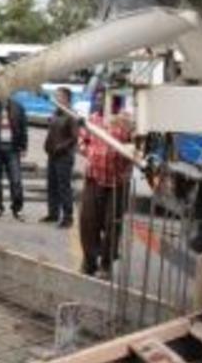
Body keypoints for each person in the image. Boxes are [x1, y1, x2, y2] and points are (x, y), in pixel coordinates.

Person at [79, 90, 133, 278]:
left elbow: (136, 147)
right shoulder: (93, 119)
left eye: (107, 98)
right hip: (93, 178)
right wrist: (90, 152)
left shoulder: (126, 121)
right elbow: (83, 140)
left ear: (117, 101)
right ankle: (89, 261)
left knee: (112, 225)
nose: (102, 101)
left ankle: (106, 265)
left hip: (117, 182)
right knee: (88, 222)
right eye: (99, 98)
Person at [42, 87, 80, 228]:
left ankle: (68, 217)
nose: (56, 98)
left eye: (58, 96)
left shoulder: (71, 115)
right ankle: (53, 213)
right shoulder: (56, 113)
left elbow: (74, 138)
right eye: (55, 95)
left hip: (64, 157)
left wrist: (61, 147)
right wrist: (47, 146)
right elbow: (51, 133)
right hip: (52, 154)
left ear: (66, 98)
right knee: (52, 185)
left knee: (64, 187)